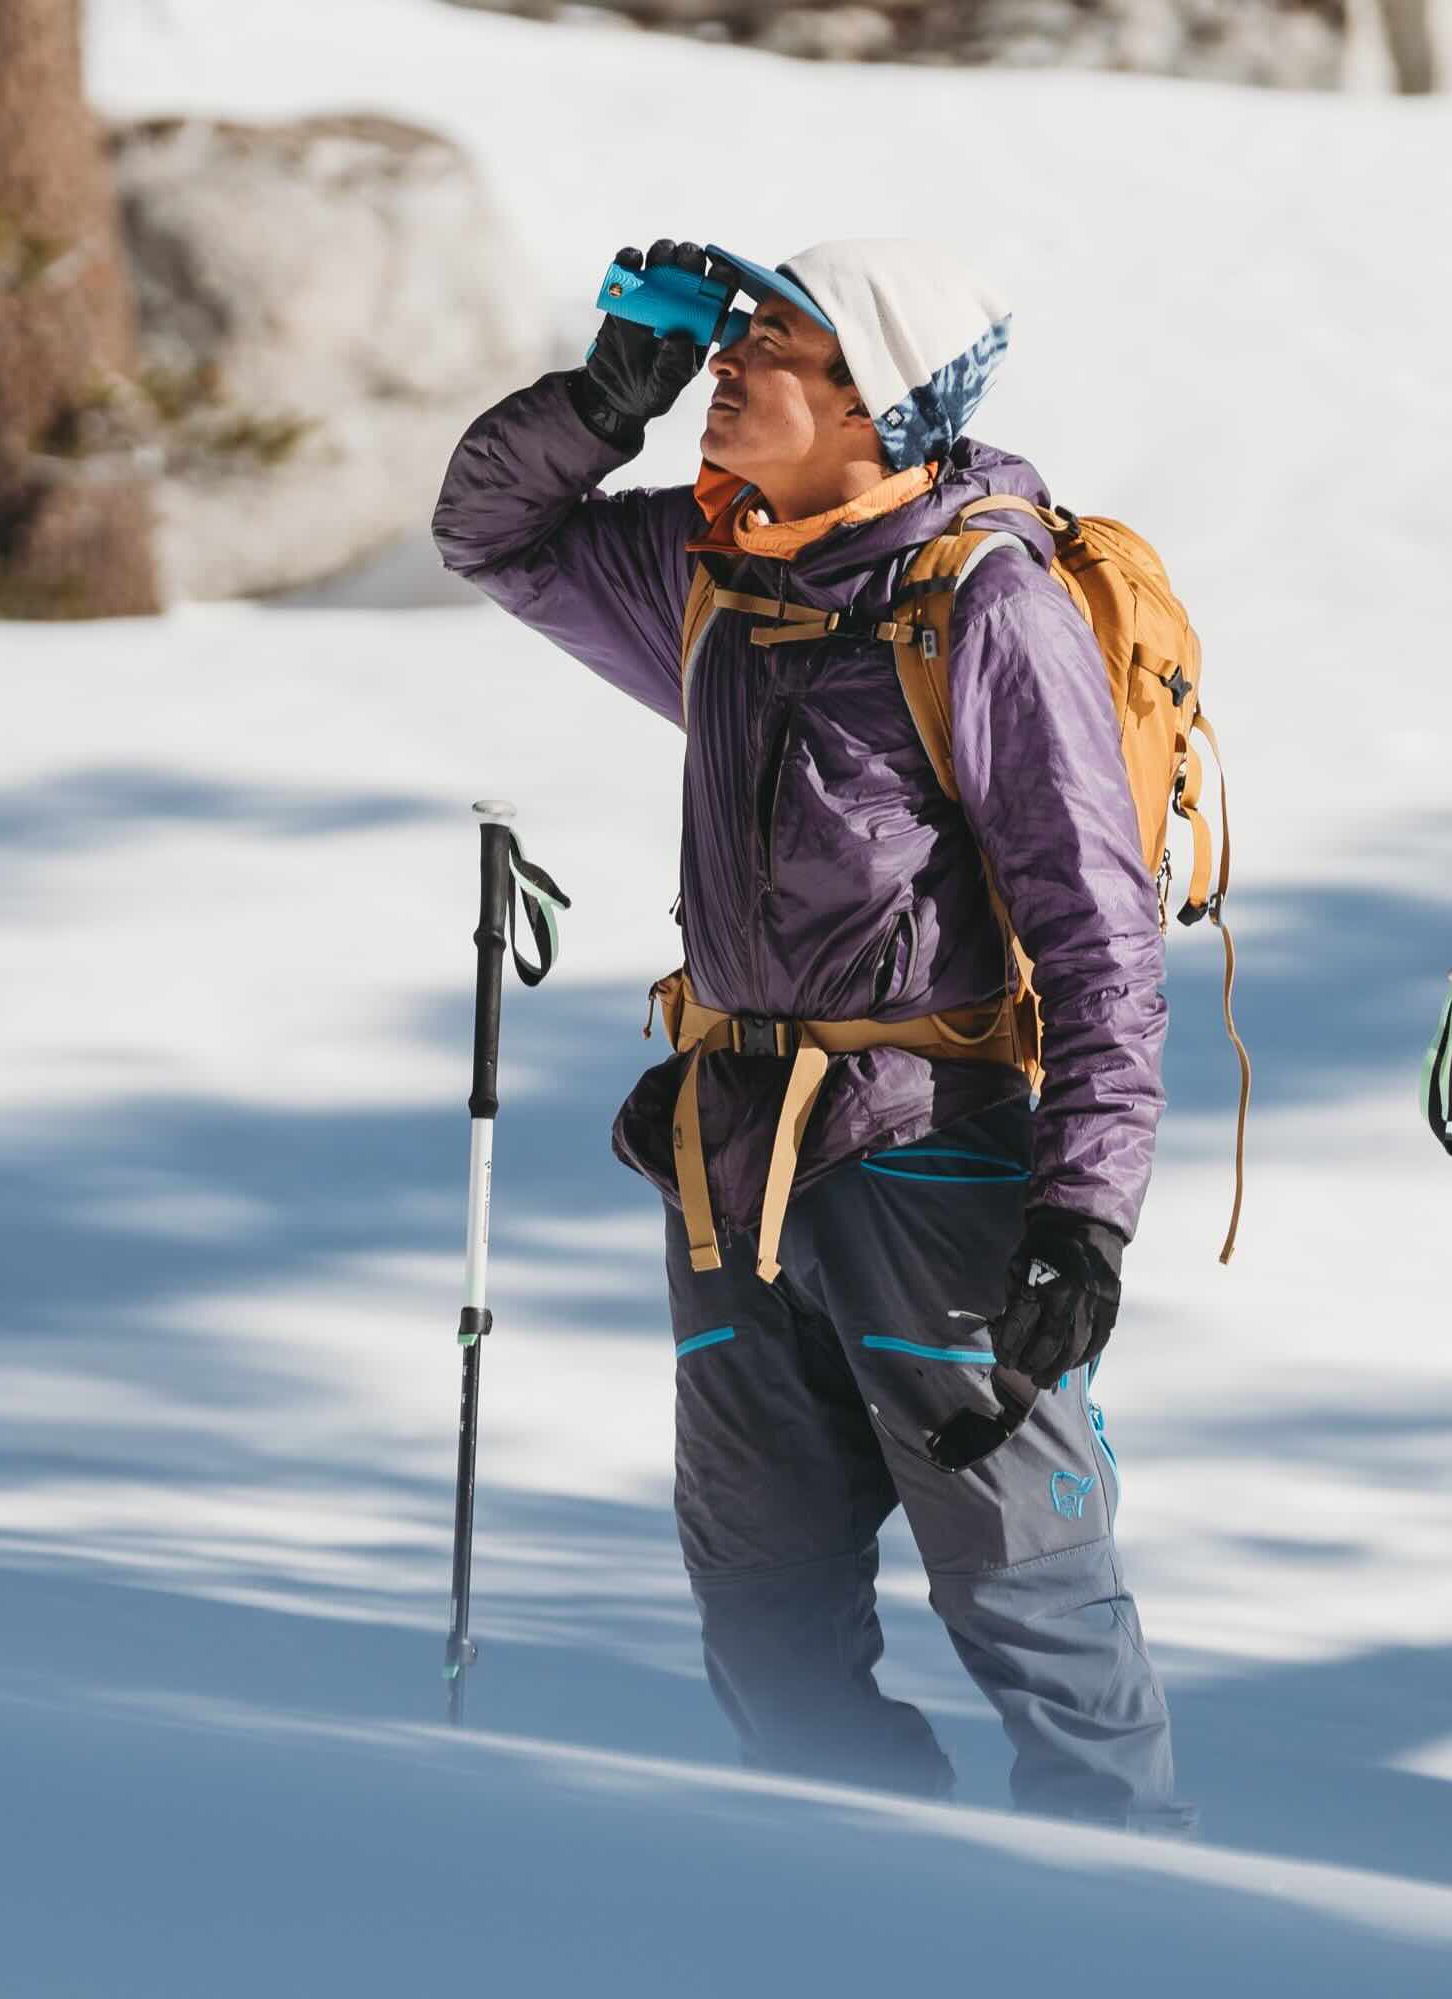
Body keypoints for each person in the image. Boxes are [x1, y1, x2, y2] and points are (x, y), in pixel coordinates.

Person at [431, 237, 1191, 1831]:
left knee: (1030, 1604)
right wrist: (595, 401)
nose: (724, 367)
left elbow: (1098, 929)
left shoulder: (984, 605)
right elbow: (492, 532)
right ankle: (875, 1918)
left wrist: (1085, 1214)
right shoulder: (717, 571)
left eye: (767, 345)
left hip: (936, 1169)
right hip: (732, 1166)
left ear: (878, 403)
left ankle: (1133, 1938)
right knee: (766, 1616)